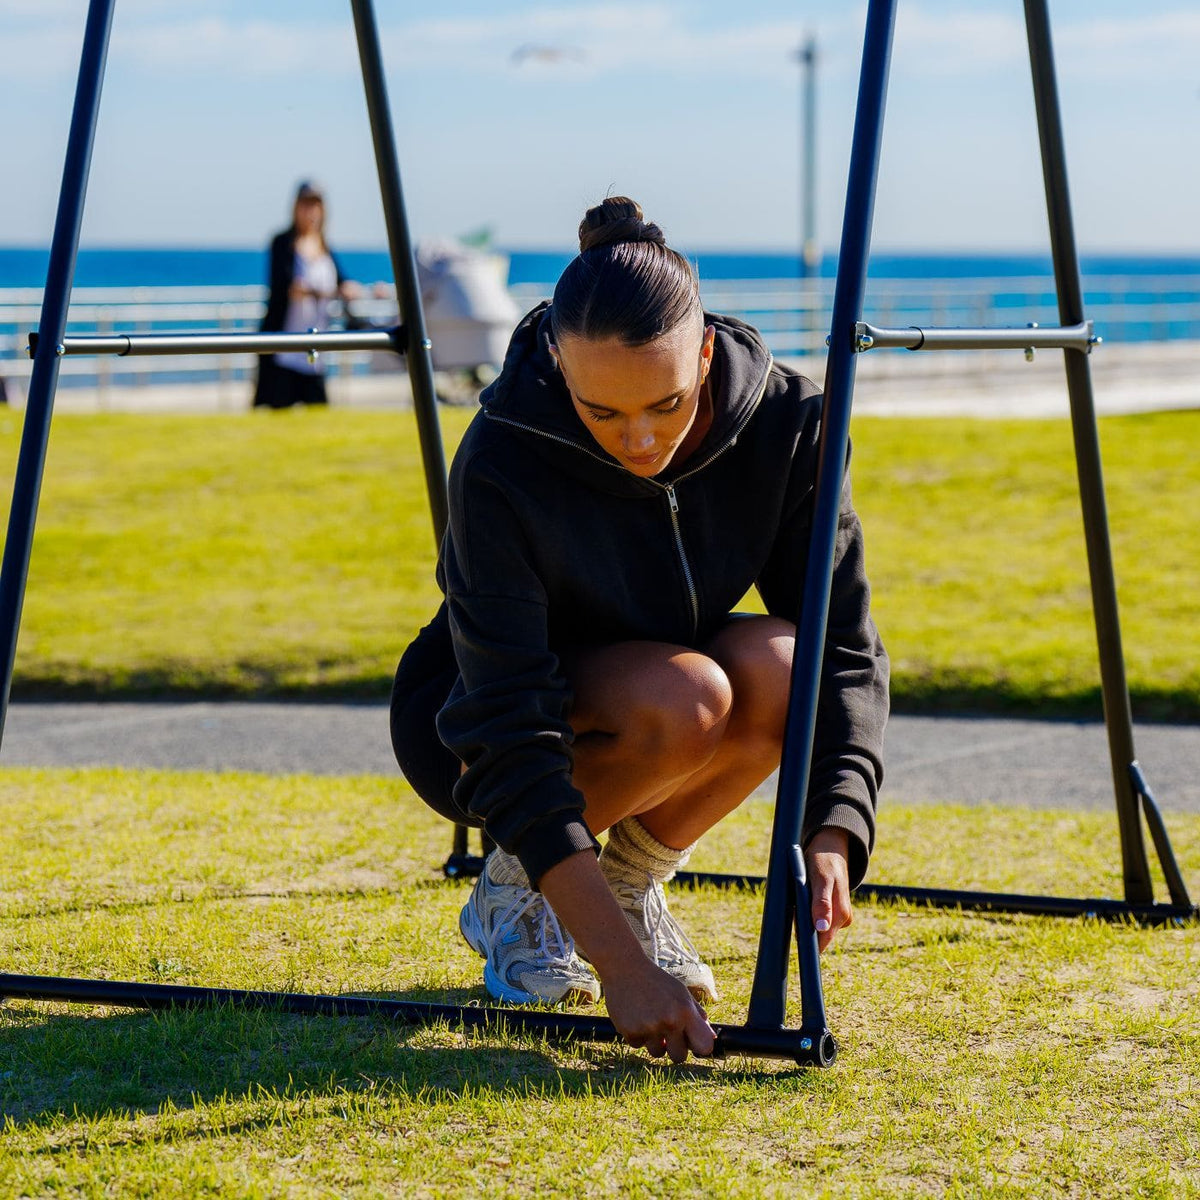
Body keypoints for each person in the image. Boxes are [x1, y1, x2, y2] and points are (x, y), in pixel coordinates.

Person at [390, 197, 889, 1064]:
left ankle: (622, 885)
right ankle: (515, 886)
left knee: (780, 664)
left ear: (705, 352)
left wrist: (837, 829)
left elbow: (840, 645)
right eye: (602, 412)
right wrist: (619, 969)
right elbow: (506, 716)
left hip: (667, 688)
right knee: (688, 694)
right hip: (479, 730)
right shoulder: (502, 453)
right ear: (555, 359)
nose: (640, 438)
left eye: (666, 403)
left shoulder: (789, 422)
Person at [252, 180, 361, 409]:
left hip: (315, 349)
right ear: (295, 207)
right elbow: (285, 287)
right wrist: (321, 292)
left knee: (318, 411)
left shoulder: (325, 246)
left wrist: (353, 289)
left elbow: (342, 281)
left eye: (315, 204)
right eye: (306, 204)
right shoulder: (283, 243)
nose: (310, 211)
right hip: (285, 348)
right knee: (278, 410)